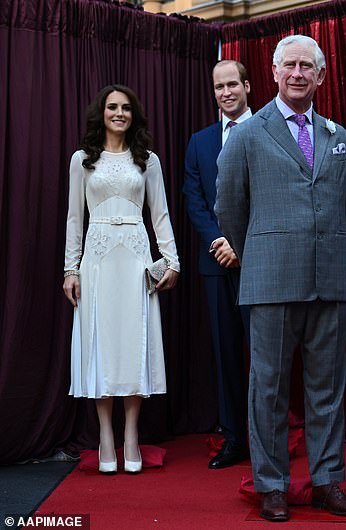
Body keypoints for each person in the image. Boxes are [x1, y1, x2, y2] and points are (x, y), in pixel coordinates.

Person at [215, 35, 346, 521]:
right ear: (274, 73)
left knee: (328, 390)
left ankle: (327, 482)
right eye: (290, 66)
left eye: (308, 67)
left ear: (321, 76)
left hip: (330, 280)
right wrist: (260, 249)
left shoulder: (340, 137)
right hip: (271, 279)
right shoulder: (248, 135)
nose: (298, 74)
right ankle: (272, 484)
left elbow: (345, 202)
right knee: (269, 389)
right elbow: (230, 207)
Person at [63, 85, 180, 474]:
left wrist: (172, 261)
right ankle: (105, 437)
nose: (119, 113)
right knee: (101, 346)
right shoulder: (83, 160)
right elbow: (74, 219)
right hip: (96, 259)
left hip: (135, 258)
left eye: (126, 108)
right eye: (112, 107)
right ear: (102, 112)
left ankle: (131, 434)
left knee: (134, 343)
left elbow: (160, 214)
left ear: (134, 115)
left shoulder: (147, 160)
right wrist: (70, 269)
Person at [183, 60, 252, 469]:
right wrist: (219, 242)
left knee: (262, 355)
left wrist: (241, 245)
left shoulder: (267, 129)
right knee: (226, 354)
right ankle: (233, 438)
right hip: (215, 263)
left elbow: (272, 196)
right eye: (218, 87)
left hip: (259, 262)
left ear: (246, 86)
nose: (226, 92)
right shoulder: (200, 141)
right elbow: (194, 200)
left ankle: (266, 437)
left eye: (232, 84)